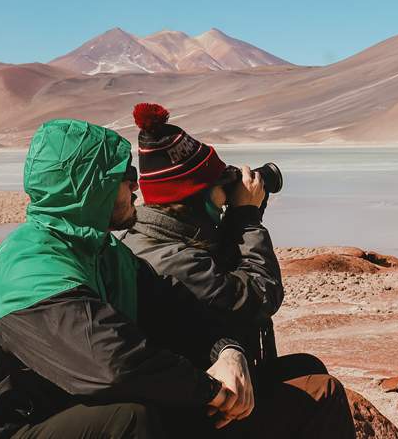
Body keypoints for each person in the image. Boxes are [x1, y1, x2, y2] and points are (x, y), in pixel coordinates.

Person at [0, 118, 354, 439]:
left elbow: (176, 312)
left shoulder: (105, 252)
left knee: (302, 379)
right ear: (90, 187)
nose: (137, 186)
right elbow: (114, 365)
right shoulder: (29, 267)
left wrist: (226, 352)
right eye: (124, 177)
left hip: (67, 408)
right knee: (131, 419)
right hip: (1, 428)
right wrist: (209, 391)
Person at [121, 103, 283, 366]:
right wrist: (246, 219)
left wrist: (235, 219)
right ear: (197, 197)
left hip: (190, 371)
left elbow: (223, 277)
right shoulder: (174, 259)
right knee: (321, 385)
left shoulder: (155, 236)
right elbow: (261, 297)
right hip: (202, 388)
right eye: (221, 185)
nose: (225, 195)